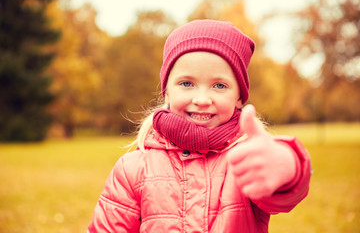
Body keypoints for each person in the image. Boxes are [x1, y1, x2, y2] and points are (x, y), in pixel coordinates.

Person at [87, 19, 311, 233]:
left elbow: (283, 196)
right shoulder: (134, 168)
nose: (202, 99)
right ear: (167, 91)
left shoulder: (247, 159)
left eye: (219, 85)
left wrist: (287, 166)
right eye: (187, 83)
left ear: (239, 97)